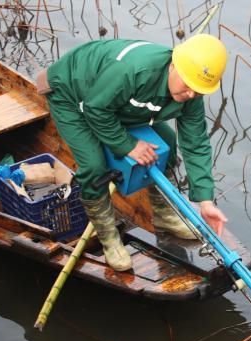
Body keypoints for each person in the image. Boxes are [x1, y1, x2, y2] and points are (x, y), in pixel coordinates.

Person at [38, 34, 228, 272]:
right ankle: (107, 234)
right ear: (173, 65)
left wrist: (205, 200)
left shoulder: (190, 92)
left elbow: (196, 142)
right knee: (95, 165)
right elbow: (96, 110)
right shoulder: (134, 70)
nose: (191, 94)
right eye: (188, 85)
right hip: (73, 94)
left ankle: (163, 215)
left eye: (199, 90)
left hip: (115, 102)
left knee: (166, 145)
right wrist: (127, 145)